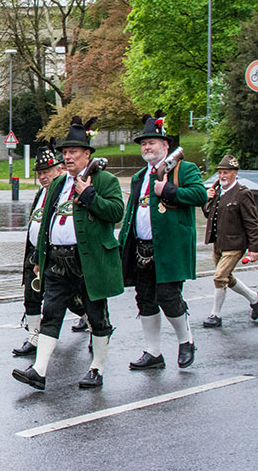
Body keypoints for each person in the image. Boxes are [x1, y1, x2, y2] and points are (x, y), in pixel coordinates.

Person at [12, 117, 123, 391]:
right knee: (51, 312)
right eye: (65, 152)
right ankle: (39, 370)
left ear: (87, 154)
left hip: (89, 261)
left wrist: (88, 196)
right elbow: (47, 220)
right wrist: (39, 257)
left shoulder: (104, 180)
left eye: (74, 152)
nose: (68, 156)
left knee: (96, 315)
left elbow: (116, 212)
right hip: (58, 261)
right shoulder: (59, 184)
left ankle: (96, 368)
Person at [119, 114, 207, 370]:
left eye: (152, 143)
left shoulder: (184, 169)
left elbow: (200, 194)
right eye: (144, 144)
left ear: (165, 146)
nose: (147, 147)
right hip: (141, 248)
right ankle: (153, 352)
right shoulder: (138, 177)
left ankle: (186, 340)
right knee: (144, 299)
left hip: (170, 247)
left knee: (169, 297)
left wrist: (167, 191)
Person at [12, 143, 64, 357]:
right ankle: (34, 337)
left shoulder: (62, 192)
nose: (43, 177)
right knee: (31, 296)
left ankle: (92, 327)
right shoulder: (40, 194)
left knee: (71, 299)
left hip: (55, 254)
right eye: (40, 173)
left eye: (47, 172)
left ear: (58, 170)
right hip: (35, 252)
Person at [201, 154, 258, 327]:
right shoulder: (218, 192)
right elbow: (209, 214)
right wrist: (207, 199)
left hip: (235, 244)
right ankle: (255, 299)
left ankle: (215, 315)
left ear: (235, 173)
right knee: (227, 277)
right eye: (220, 173)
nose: (222, 176)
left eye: (226, 172)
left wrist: (254, 248)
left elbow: (252, 222)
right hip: (218, 243)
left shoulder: (243, 193)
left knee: (219, 277)